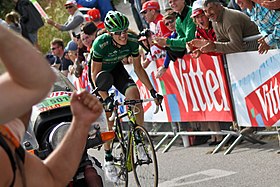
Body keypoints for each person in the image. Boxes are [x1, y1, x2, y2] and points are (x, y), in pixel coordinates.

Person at [90, 10, 162, 183]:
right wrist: (106, 98)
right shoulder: (101, 44)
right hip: (99, 76)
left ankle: (138, 138)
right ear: (109, 32)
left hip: (116, 69)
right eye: (118, 33)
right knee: (110, 118)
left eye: (124, 31)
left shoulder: (131, 41)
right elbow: (95, 75)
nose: (122, 35)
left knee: (134, 94)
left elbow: (138, 69)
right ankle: (108, 160)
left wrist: (152, 91)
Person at [156, 11, 178, 78]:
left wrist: (165, 66)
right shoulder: (172, 34)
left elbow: (170, 47)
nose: (170, 25)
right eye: (167, 24)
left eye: (171, 21)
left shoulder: (180, 30)